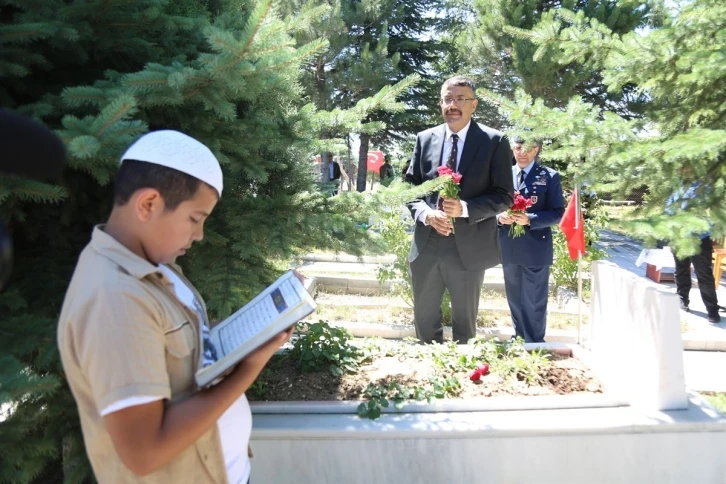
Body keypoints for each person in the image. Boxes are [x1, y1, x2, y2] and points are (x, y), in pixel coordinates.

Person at [57, 130, 293, 483]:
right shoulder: (115, 300)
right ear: (148, 204)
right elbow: (144, 451)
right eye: (195, 219)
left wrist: (238, 341)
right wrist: (247, 370)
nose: (198, 235)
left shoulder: (153, 267)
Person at [405, 76, 514, 344]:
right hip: (427, 245)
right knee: (424, 320)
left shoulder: (494, 141)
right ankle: (428, 375)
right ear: (441, 103)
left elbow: (504, 196)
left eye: (460, 99)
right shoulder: (424, 139)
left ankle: (462, 378)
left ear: (473, 105)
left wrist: (464, 208)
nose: (453, 105)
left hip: (469, 249)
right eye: (447, 99)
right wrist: (426, 214)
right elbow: (409, 188)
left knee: (465, 327)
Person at [497, 138, 565, 343]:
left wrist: (530, 219)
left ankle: (535, 341)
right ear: (512, 150)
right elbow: (491, 205)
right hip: (509, 246)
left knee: (534, 298)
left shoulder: (549, 176)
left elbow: (558, 213)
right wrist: (499, 217)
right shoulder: (503, 175)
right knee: (515, 296)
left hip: (535, 248)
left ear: (536, 150)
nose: (522, 153)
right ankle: (518, 337)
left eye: (527, 149)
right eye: (518, 149)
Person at [664, 183, 722, 323]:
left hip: (700, 238)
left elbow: (714, 210)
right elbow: (668, 210)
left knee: (704, 274)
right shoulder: (676, 187)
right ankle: (682, 299)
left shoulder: (706, 187)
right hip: (679, 237)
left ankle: (712, 308)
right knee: (681, 270)